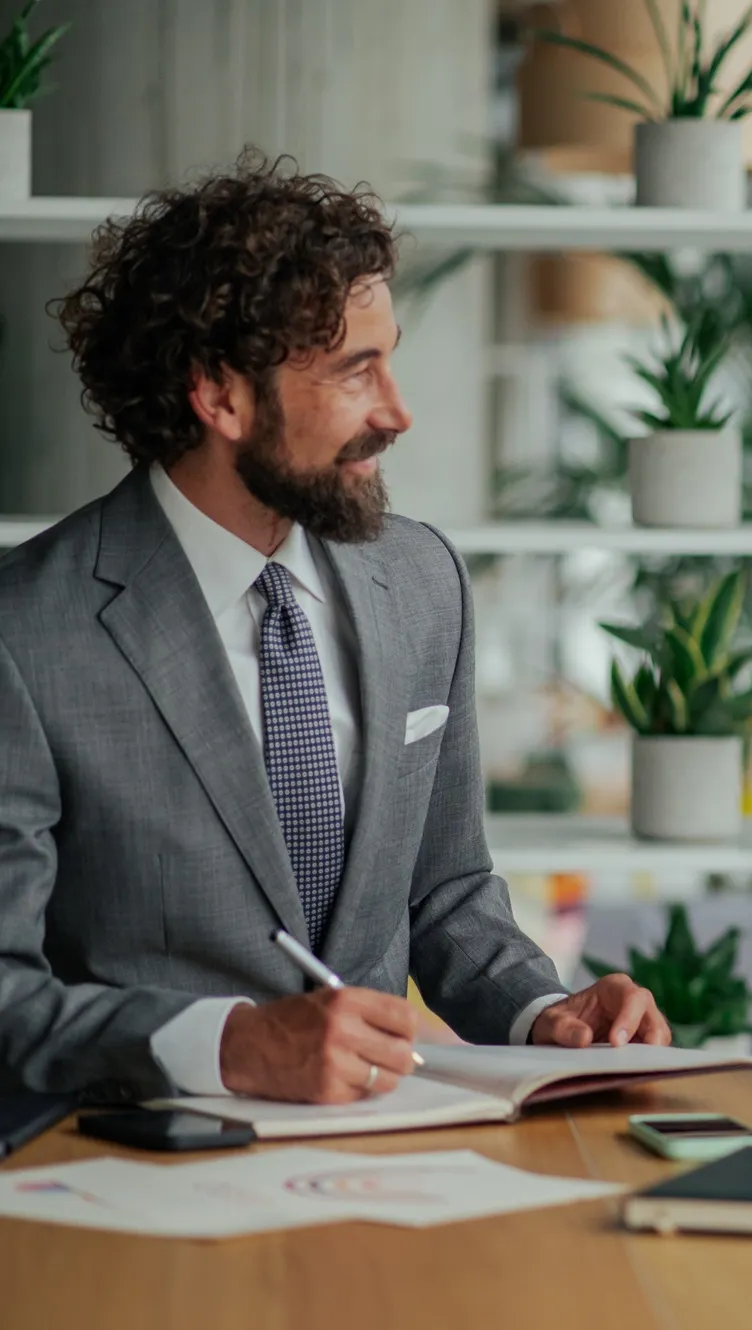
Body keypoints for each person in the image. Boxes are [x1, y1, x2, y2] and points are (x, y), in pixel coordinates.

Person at [0, 155, 668, 1107]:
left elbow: (447, 895)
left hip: (384, 1159)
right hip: (135, 1174)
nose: (398, 412)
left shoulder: (424, 580)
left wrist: (542, 1013)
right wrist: (230, 1048)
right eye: (357, 371)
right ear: (220, 396)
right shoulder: (25, 633)